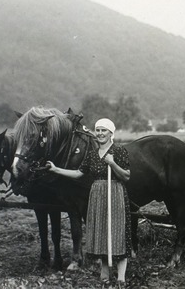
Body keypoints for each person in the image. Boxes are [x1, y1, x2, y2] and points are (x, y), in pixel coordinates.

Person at [46, 118, 131, 289]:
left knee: (117, 233)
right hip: (97, 195)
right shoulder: (92, 154)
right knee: (101, 233)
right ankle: (105, 274)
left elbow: (127, 176)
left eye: (103, 130)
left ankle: (121, 277)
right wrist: (56, 169)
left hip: (114, 193)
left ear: (110, 133)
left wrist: (112, 163)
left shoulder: (119, 151)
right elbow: (78, 173)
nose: (100, 133)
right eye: (98, 130)